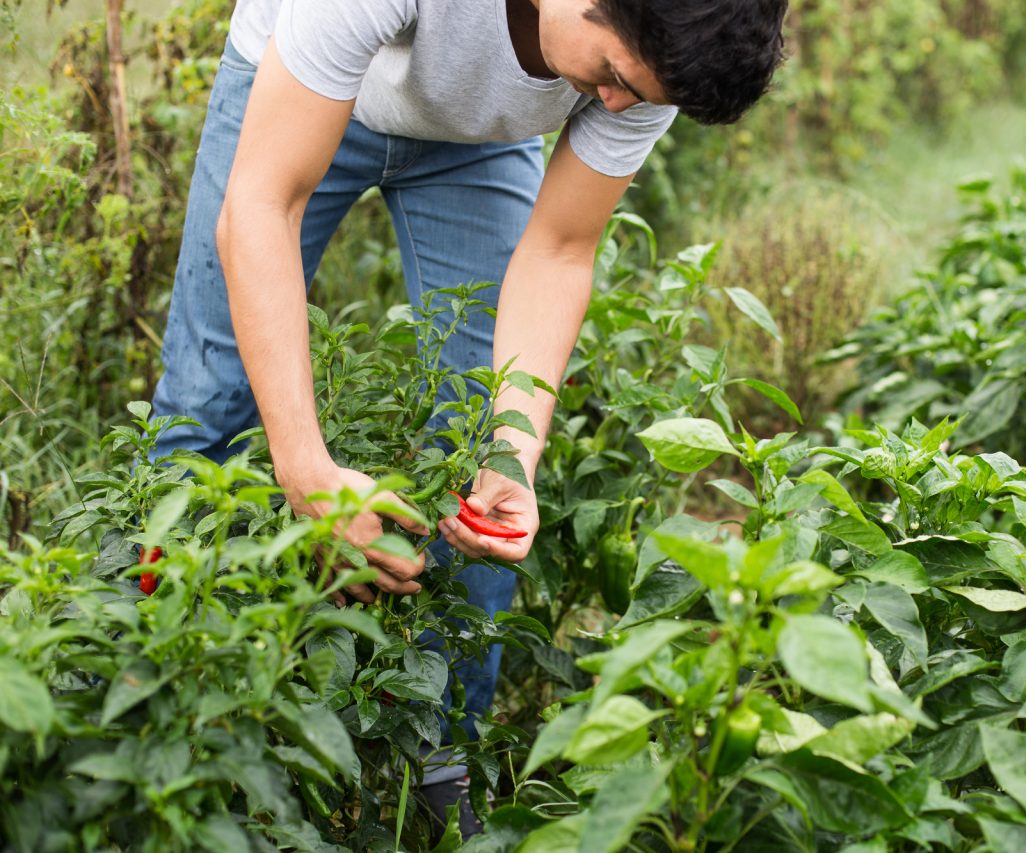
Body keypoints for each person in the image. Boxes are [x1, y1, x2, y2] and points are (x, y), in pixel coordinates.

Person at [150, 0, 786, 834]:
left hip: (475, 146)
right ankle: (150, 706)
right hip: (293, 76)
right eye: (614, 79)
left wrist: (512, 458)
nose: (620, 106)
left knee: (483, 457)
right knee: (208, 413)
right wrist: (305, 467)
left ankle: (446, 771)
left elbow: (560, 250)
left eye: (641, 94)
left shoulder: (657, 51)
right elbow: (261, 206)